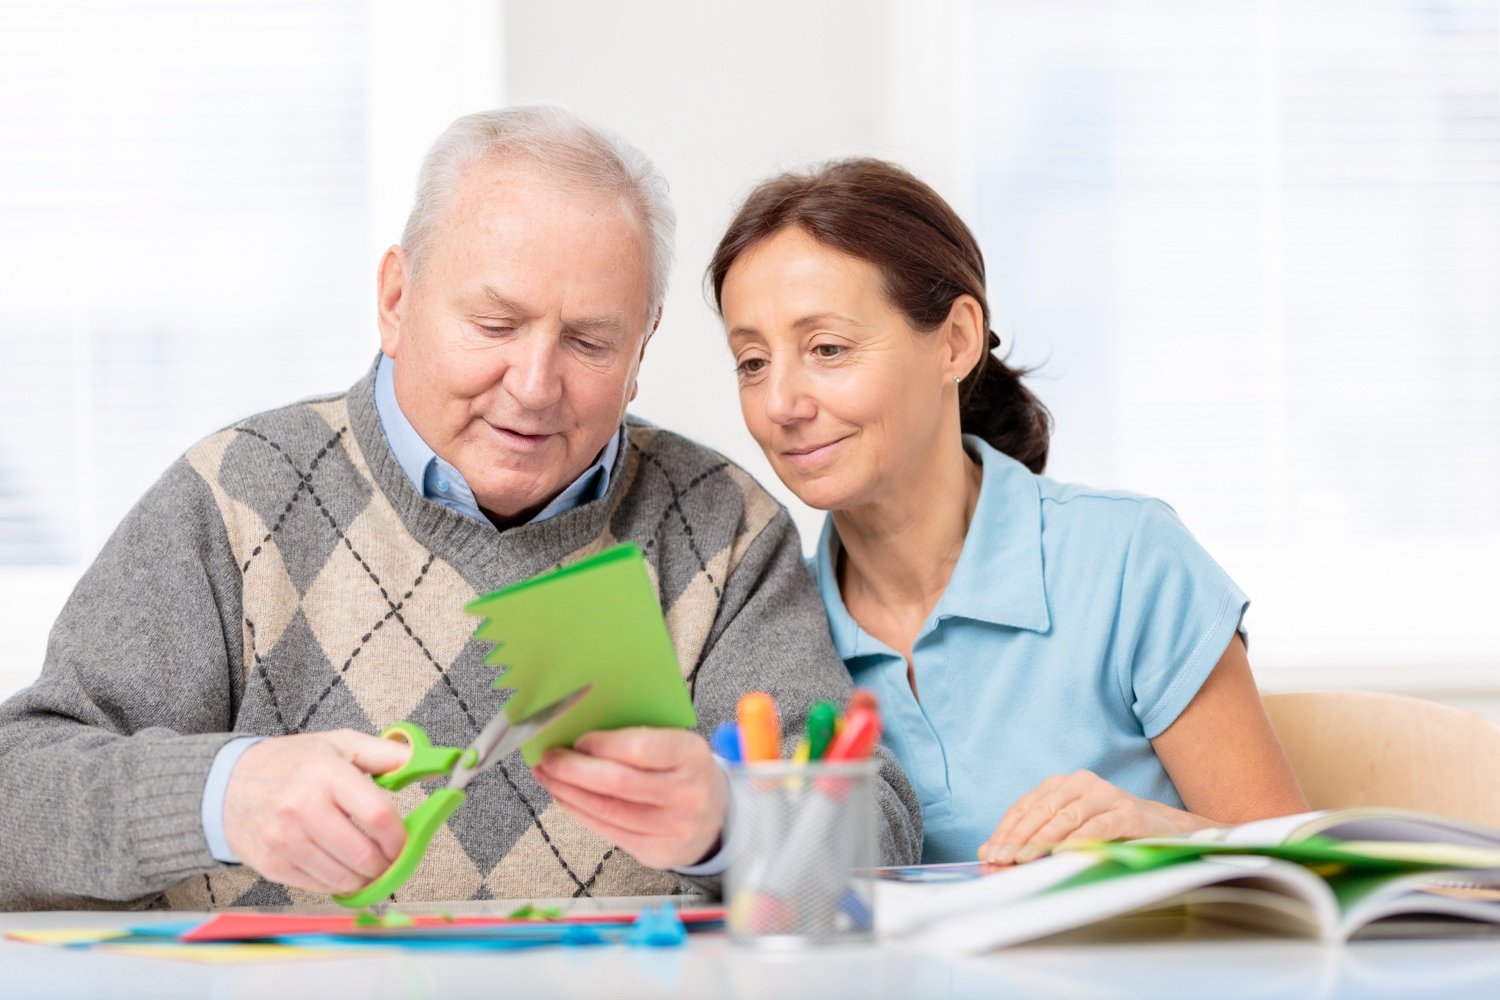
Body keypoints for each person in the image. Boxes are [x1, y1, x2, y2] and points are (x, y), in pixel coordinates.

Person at [0, 110, 920, 911]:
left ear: (643, 347)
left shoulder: (721, 528)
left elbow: (876, 835)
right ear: (396, 300)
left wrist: (731, 822)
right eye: (494, 325)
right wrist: (218, 794)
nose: (533, 387)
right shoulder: (236, 494)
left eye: (590, 342)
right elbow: (14, 796)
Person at [708, 158, 1307, 866]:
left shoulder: (1128, 561)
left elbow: (1305, 866)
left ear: (957, 341)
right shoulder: (765, 629)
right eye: (752, 362)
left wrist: (1166, 833)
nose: (780, 403)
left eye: (827, 349)